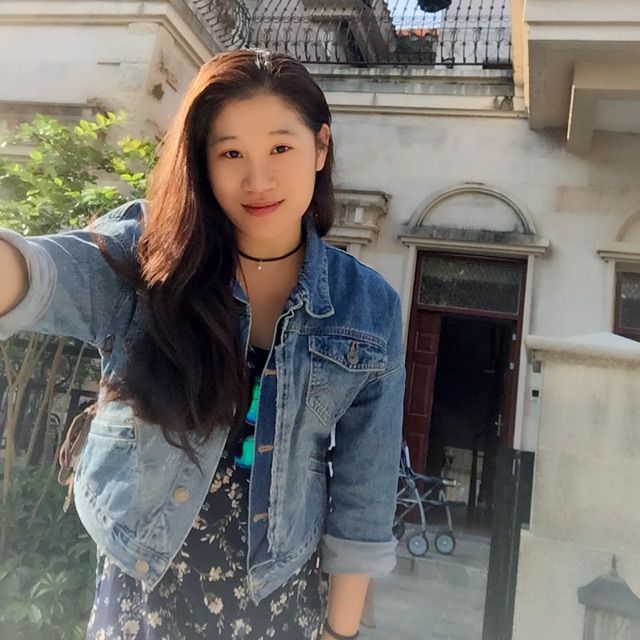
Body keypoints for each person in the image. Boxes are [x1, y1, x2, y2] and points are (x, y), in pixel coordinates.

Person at [0, 49, 405, 640]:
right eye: (231, 153)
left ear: (320, 147)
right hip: (145, 587)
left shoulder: (367, 307)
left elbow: (365, 488)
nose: (258, 180)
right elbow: (47, 273)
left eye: (281, 148)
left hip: (278, 594)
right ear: (203, 161)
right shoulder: (154, 259)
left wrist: (339, 632)